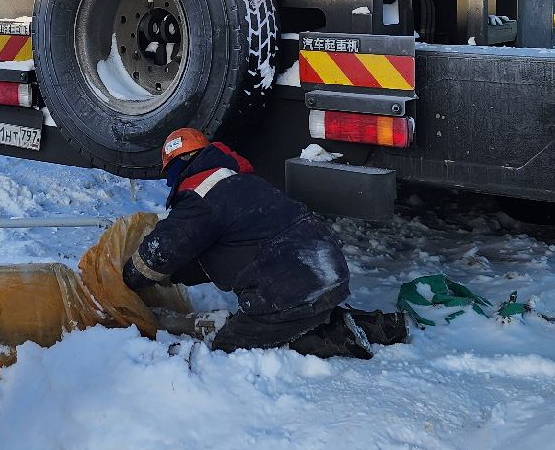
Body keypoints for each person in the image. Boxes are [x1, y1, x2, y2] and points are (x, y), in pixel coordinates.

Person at [122, 128, 404, 358]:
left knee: (229, 346)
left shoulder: (200, 195)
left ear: (177, 168)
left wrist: (129, 278)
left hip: (291, 290)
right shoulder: (242, 185)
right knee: (299, 312)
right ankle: (376, 326)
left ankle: (335, 336)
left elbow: (159, 253)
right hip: (328, 271)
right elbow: (221, 253)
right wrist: (174, 276)